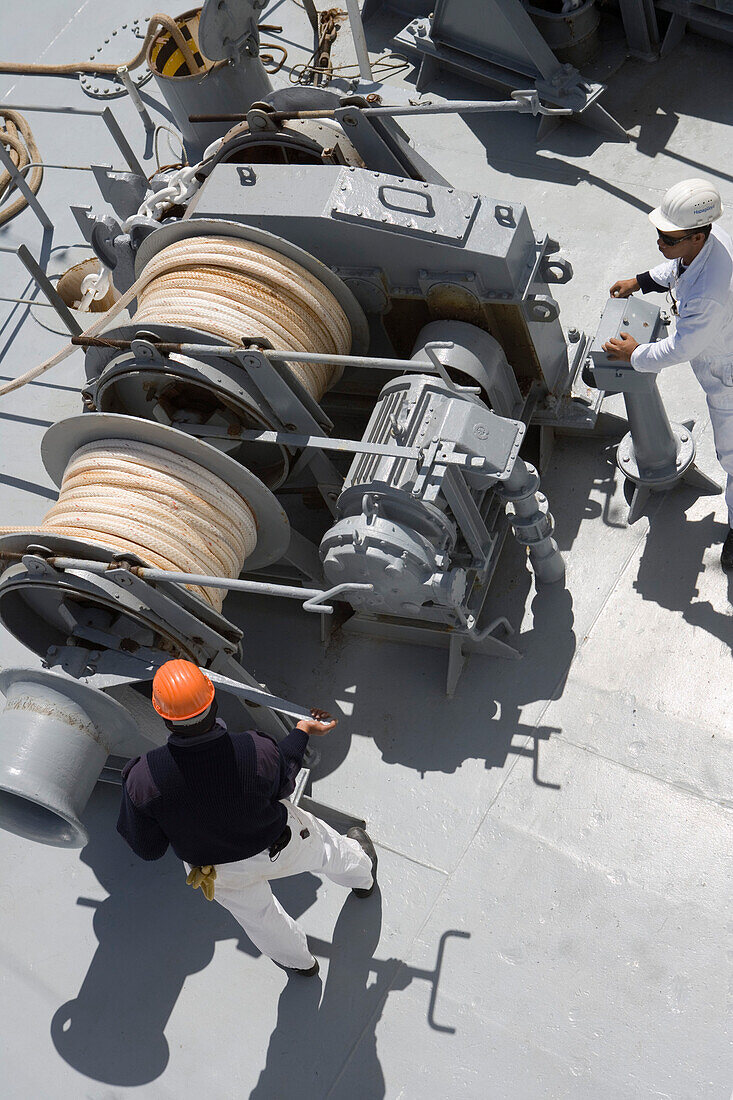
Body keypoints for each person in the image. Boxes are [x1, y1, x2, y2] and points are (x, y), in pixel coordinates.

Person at [117, 659, 378, 977]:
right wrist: (303, 729)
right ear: (212, 701)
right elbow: (285, 780)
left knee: (261, 919)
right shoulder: (255, 749)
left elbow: (149, 849)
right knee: (328, 849)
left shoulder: (142, 779)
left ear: (162, 715)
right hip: (279, 844)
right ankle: (363, 881)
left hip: (218, 872)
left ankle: (300, 964)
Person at [603, 178, 733, 570]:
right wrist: (641, 281)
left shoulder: (709, 292)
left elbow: (681, 348)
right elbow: (678, 268)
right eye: (660, 234)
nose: (661, 242)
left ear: (696, 235)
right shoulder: (712, 236)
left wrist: (635, 354)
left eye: (669, 238)